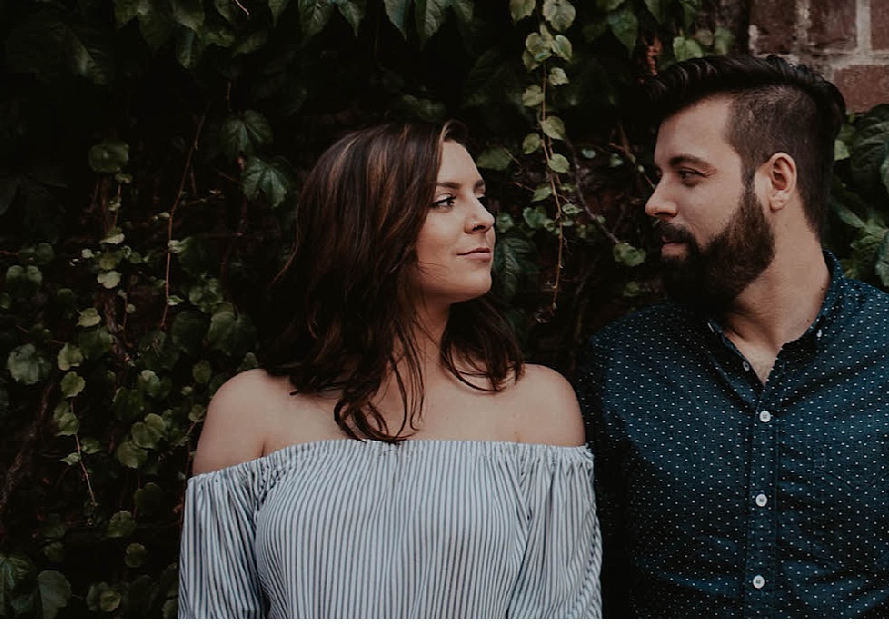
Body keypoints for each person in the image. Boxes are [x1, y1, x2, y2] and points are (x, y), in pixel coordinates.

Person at [575, 55, 889, 616]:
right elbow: (582, 586)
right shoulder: (621, 364)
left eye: (689, 174)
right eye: (659, 175)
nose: (656, 201)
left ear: (777, 180)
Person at [178, 121, 601, 618]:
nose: (484, 218)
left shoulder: (536, 404)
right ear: (368, 225)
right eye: (446, 201)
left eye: (480, 196)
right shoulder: (249, 410)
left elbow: (560, 611)